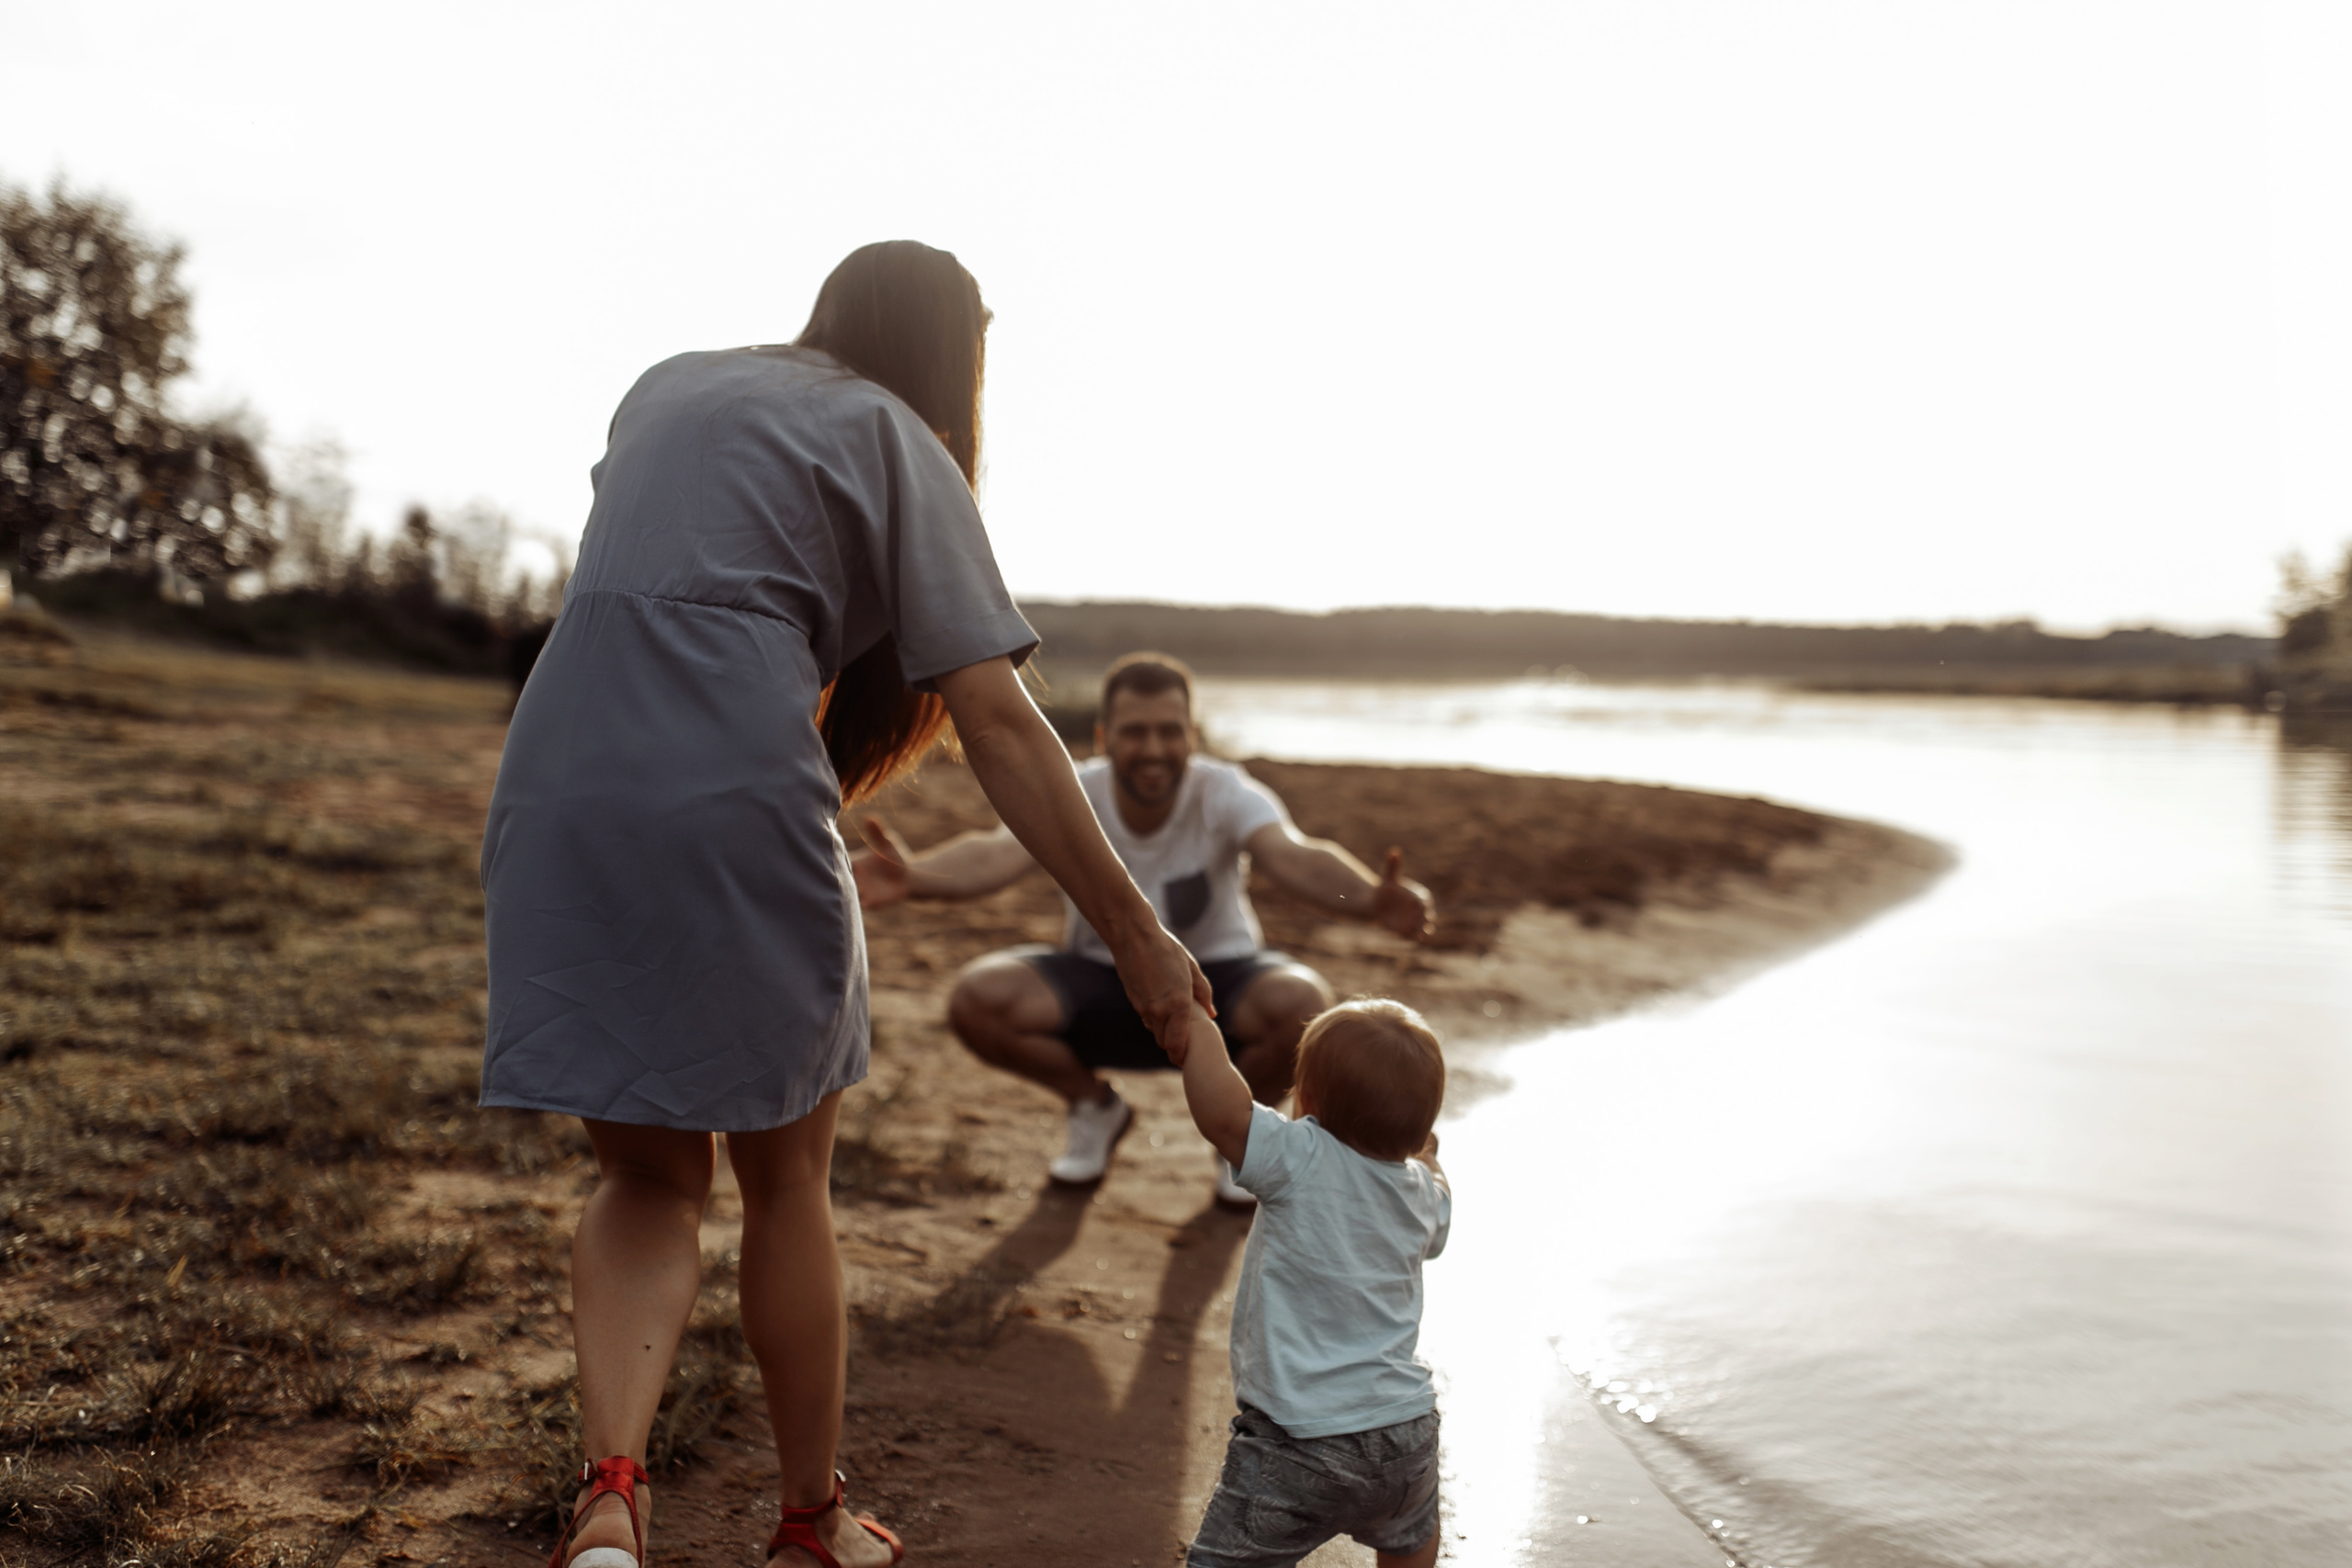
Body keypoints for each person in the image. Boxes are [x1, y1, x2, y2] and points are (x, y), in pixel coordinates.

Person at [478, 243, 1207, 1568]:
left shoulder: (668, 384)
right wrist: (1138, 932)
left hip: (558, 774)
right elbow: (998, 718)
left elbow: (673, 587)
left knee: (643, 1171)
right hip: (730, 790)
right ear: (954, 349)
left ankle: (610, 1500)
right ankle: (811, 1518)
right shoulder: (895, 433)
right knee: (784, 1179)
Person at [850, 652, 1434, 1205]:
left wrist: (1366, 899)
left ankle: (1245, 1139)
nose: (1153, 748)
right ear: (1104, 737)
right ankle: (1095, 1108)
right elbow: (995, 854)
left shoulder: (1224, 790)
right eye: (1135, 732)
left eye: (1168, 731)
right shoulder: (1077, 788)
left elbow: (1293, 854)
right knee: (979, 997)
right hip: (1104, 984)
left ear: (1192, 737)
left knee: (1302, 1002)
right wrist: (914, 877)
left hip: (1219, 992)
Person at [1170, 998, 1451, 1568]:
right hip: (1406, 1428)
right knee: (1411, 1540)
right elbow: (1435, 1182)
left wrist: (1195, 1022)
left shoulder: (1300, 1156)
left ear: (1309, 1102)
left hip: (1299, 1442)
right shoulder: (1424, 1193)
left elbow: (1225, 1115)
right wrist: (1426, 1154)